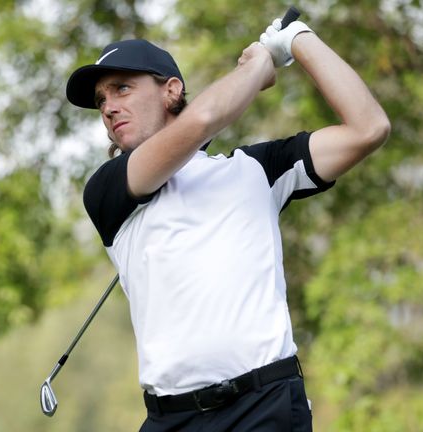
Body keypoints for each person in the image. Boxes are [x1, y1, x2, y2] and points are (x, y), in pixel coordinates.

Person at [65, 16, 390, 432]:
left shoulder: (258, 169)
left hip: (266, 406)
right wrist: (259, 64)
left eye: (122, 88)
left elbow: (369, 128)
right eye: (101, 100)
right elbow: (202, 121)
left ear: (172, 90)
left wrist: (296, 40)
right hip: (172, 419)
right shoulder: (109, 190)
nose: (108, 107)